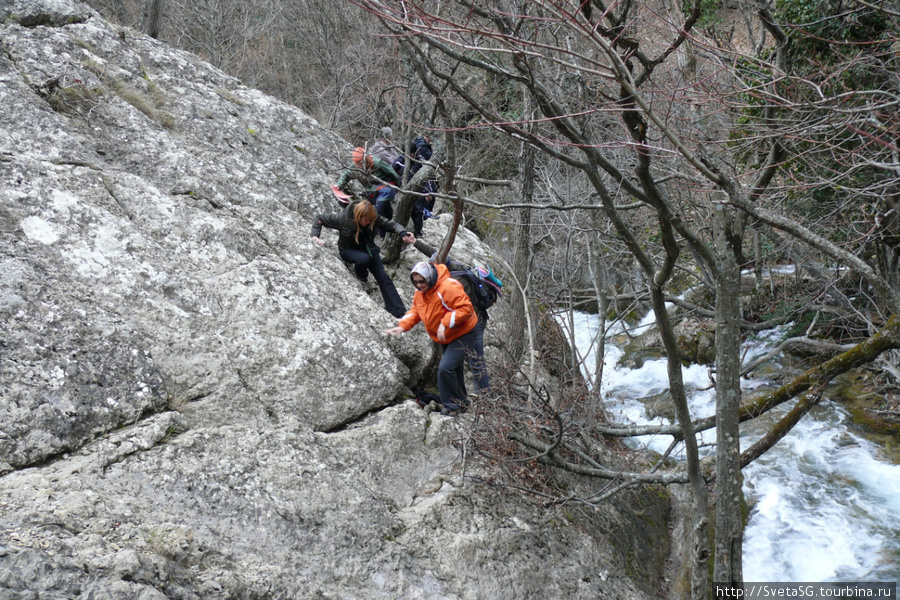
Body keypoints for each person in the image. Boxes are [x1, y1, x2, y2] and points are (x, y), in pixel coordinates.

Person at [385, 261, 485, 415]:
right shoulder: (421, 293)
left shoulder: (447, 287)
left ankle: (452, 405)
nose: (419, 285)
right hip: (447, 336)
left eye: (422, 281)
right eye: (416, 282)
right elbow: (416, 311)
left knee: (445, 368)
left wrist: (444, 323)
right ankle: (461, 402)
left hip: (465, 332)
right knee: (454, 369)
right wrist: (403, 325)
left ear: (429, 277)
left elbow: (466, 309)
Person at [311, 199, 415, 318]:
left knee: (384, 277)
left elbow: (391, 225)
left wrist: (402, 233)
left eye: (371, 220)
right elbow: (319, 218)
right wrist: (315, 236)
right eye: (366, 220)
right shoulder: (343, 219)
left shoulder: (373, 219)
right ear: (358, 217)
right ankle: (362, 276)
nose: (369, 222)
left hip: (369, 249)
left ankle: (399, 312)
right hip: (348, 251)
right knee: (364, 259)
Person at [411, 239, 490, 394]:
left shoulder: (453, 282)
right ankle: (462, 398)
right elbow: (434, 251)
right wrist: (415, 242)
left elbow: (462, 309)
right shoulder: (452, 266)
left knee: (475, 360)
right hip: (465, 320)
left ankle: (486, 398)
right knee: (460, 362)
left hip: (472, 320)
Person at [335, 147, 401, 221]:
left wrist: (399, 188)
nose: (358, 166)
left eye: (360, 164)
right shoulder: (355, 167)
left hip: (386, 189)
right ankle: (394, 227)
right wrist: (339, 185)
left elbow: (393, 174)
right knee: (387, 212)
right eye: (356, 164)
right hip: (373, 193)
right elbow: (346, 175)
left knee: (376, 212)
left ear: (365, 160)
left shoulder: (377, 163)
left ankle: (382, 231)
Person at [408, 134, 439, 238]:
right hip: (414, 187)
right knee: (418, 210)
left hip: (418, 186)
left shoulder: (417, 159)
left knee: (419, 208)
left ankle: (424, 221)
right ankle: (418, 231)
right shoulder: (407, 160)